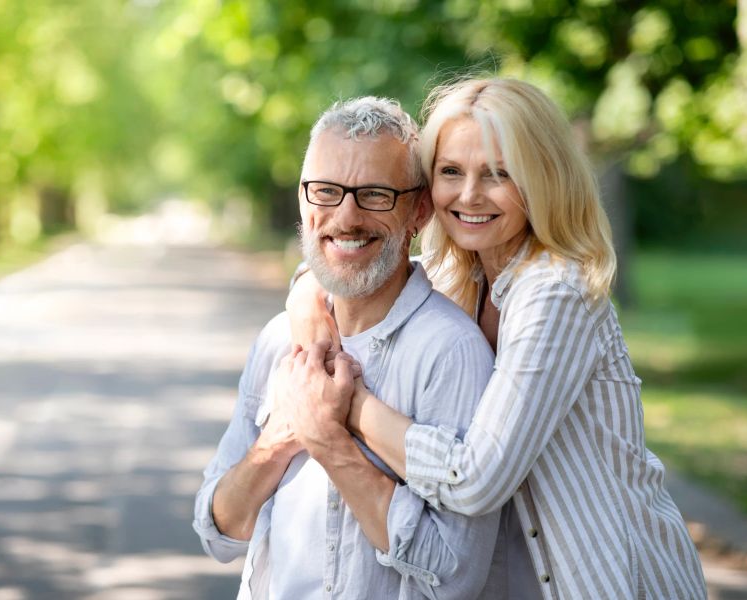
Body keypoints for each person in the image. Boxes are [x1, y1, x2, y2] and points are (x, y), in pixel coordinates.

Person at [283, 78, 707, 599]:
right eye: (451, 172)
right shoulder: (461, 271)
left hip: (609, 577)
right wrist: (309, 305)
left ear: (542, 179)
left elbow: (474, 477)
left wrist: (343, 404)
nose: (468, 195)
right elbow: (348, 265)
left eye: (498, 174)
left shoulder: (555, 292)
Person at [193, 97, 505, 599]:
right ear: (302, 200)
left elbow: (455, 578)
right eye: (326, 191)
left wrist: (328, 439)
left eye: (375, 194)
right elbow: (217, 530)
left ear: (419, 210)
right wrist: (278, 440)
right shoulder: (280, 338)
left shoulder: (452, 353)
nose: (346, 215)